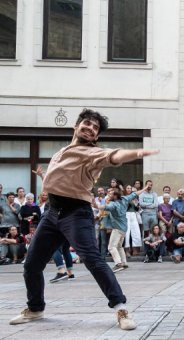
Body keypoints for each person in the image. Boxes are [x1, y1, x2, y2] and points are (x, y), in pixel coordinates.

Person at [10, 109, 158, 329]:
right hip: (52, 213)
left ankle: (121, 309)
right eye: (87, 124)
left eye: (95, 128)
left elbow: (114, 155)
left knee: (93, 260)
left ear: (96, 137)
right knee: (32, 265)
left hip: (76, 213)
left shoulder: (92, 153)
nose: (90, 128)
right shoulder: (61, 151)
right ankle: (35, 308)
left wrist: (137, 153)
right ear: (76, 126)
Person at [102, 186, 146, 273]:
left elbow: (106, 208)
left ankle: (118, 264)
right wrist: (145, 188)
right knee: (119, 246)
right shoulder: (124, 199)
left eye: (111, 193)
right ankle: (124, 263)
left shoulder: (114, 204)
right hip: (123, 228)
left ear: (115, 195)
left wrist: (95, 205)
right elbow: (134, 194)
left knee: (111, 247)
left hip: (117, 228)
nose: (109, 194)